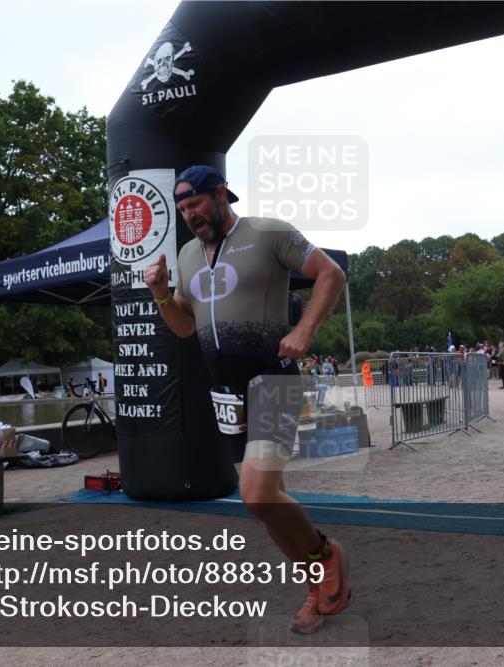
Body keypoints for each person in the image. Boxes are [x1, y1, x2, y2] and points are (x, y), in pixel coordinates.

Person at [145, 165, 349, 634]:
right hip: (225, 392)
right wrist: (160, 294)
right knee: (263, 502)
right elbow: (184, 325)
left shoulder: (268, 233)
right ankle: (316, 586)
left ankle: (325, 555)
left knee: (256, 494)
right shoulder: (189, 254)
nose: (189, 215)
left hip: (273, 379)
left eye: (194, 204)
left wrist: (304, 329)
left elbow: (329, 274)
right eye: (182, 209)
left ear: (220, 194)